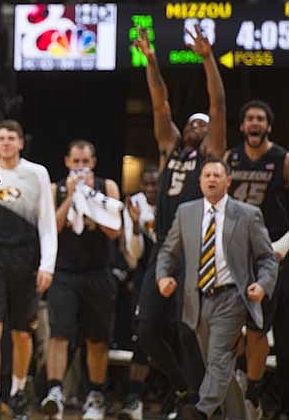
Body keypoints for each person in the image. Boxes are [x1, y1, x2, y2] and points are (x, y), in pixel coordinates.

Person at [132, 24, 226, 416]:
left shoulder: (212, 153)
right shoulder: (170, 149)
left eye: (202, 125)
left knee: (188, 331)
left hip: (197, 249)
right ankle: (188, 387)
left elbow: (218, 104)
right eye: (192, 123)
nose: (196, 127)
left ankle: (205, 401)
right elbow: (160, 104)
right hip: (164, 247)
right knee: (148, 330)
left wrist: (207, 59)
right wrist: (151, 61)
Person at [156, 158, 278, 420]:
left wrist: (263, 284)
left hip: (232, 296)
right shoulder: (186, 212)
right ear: (200, 181)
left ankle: (201, 411)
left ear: (228, 181)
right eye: (207, 175)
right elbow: (169, 251)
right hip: (197, 299)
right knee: (218, 366)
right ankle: (238, 415)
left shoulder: (247, 214)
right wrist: (162, 277)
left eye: (217, 175)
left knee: (219, 358)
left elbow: (267, 258)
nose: (212, 179)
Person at [0, 119, 57, 420]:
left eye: (12, 137)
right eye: (1, 138)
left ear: (21, 142)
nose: (6, 142)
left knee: (22, 333)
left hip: (26, 259)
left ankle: (19, 394)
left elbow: (47, 223)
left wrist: (47, 265)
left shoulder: (37, 173)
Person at [40, 140, 122, 420]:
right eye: (75, 162)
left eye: (85, 162)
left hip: (98, 272)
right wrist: (71, 196)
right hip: (64, 272)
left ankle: (96, 395)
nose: (80, 167)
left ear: (93, 162)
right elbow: (52, 227)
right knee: (59, 334)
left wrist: (90, 201)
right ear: (66, 162)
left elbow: (115, 231)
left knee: (97, 338)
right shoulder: (55, 188)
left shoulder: (107, 186)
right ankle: (55, 392)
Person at [224, 100, 289, 418]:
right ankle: (236, 378)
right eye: (249, 118)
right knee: (230, 322)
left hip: (270, 254)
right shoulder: (230, 158)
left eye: (260, 119)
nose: (254, 123)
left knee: (258, 328)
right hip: (234, 253)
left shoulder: (282, 159)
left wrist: (282, 245)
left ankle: (253, 389)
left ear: (268, 126)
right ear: (241, 126)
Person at [117, 167, 159, 420]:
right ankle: (134, 397)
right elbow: (134, 254)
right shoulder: (134, 204)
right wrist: (133, 223)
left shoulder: (172, 201)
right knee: (142, 337)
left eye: (156, 183)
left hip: (174, 273)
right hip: (145, 274)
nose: (151, 188)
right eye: (147, 184)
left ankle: (180, 395)